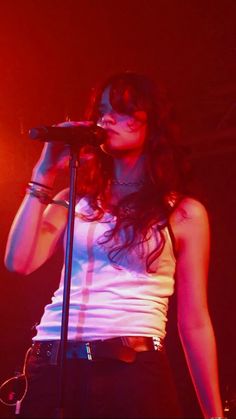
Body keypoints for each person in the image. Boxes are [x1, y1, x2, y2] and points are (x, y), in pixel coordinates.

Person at [4, 71, 225, 419]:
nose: (106, 118)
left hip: (133, 368)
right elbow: (18, 261)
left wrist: (214, 414)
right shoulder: (71, 199)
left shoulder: (183, 213)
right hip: (53, 363)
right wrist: (44, 173)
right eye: (102, 109)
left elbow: (194, 321)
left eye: (122, 110)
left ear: (151, 121)